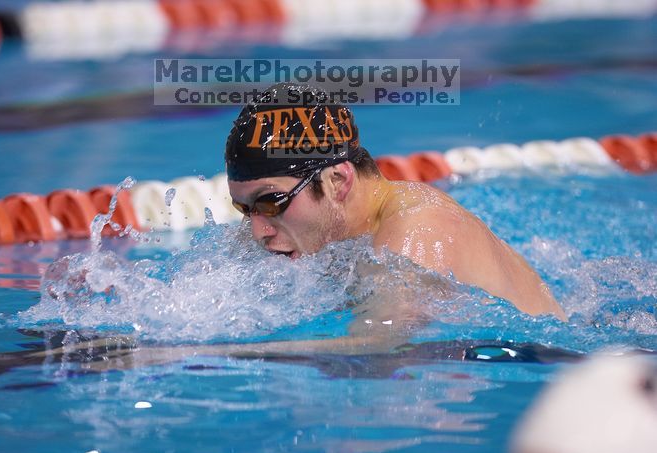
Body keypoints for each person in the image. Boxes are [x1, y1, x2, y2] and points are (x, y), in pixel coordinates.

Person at [225, 83, 566, 321]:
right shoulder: (335, 231)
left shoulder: (415, 235)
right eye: (245, 209)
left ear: (337, 181)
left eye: (271, 202)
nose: (258, 232)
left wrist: (228, 357)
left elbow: (379, 353)